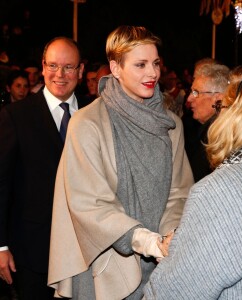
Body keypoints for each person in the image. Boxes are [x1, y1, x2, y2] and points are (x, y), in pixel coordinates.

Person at [48, 25, 194, 300]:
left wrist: (170, 235)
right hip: (105, 263)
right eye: (140, 65)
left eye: (155, 63)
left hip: (161, 266)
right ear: (115, 68)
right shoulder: (87, 124)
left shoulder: (171, 125)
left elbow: (180, 192)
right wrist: (144, 240)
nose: (152, 73)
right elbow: (89, 202)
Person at [143, 65, 242, 299]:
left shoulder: (220, 191)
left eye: (221, 107)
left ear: (236, 118)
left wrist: (176, 253)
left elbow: (173, 292)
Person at [0, 36, 91, 300]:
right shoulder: (16, 116)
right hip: (32, 253)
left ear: (81, 71)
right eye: (52, 65)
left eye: (68, 67)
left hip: (86, 250)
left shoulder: (95, 112)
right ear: (42, 67)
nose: (59, 74)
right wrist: (1, 245)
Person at [184, 63, 230, 182]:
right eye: (191, 92)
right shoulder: (208, 132)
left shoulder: (220, 140)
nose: (189, 98)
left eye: (196, 93)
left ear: (218, 99)